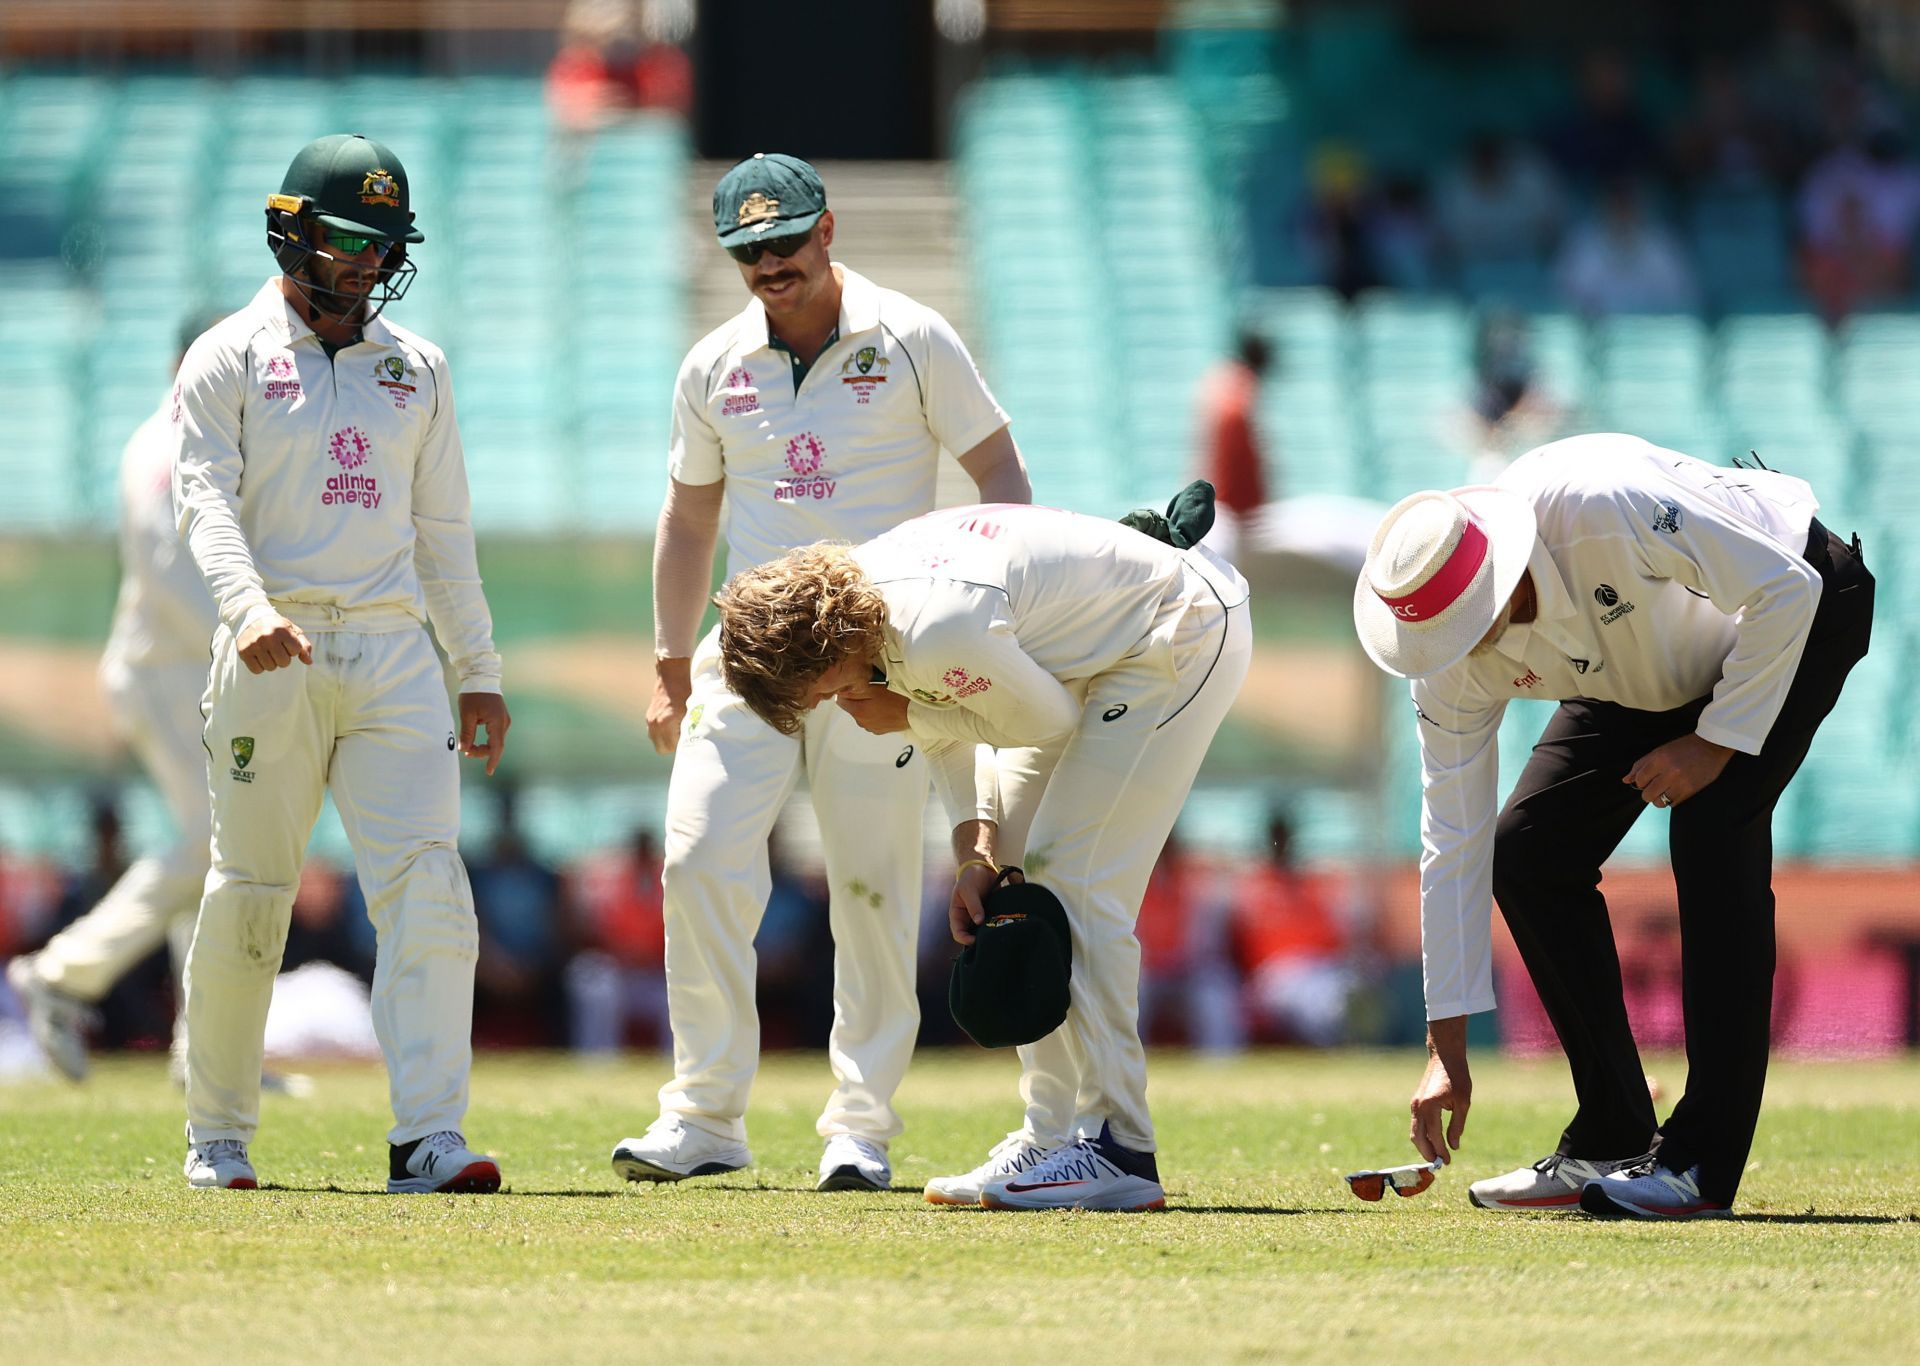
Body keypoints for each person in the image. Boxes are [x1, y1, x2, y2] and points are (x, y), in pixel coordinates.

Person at [610, 152, 1031, 1194]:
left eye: (785, 243)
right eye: (748, 250)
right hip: (749, 652)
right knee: (699, 859)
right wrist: (669, 664)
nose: (770, 265)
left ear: (828, 229)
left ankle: (862, 1126)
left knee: (871, 887)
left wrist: (987, 599)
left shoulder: (913, 336)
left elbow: (998, 471)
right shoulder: (714, 363)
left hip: (880, 657)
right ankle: (705, 1115)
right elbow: (689, 514)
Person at [1352, 432, 1872, 1219]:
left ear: (1503, 569)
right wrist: (1445, 1053)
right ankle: (1611, 1135)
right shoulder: (1449, 658)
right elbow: (1449, 843)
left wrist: (1713, 742)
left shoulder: (1601, 506)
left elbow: (1787, 589)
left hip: (1791, 608)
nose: (1466, 651)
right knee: (1527, 853)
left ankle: (1700, 1164)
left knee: (1711, 831)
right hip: (1640, 665)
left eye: (1473, 624)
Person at [713, 500, 1252, 1210]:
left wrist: (906, 712)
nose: (835, 704)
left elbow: (1039, 719)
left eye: (825, 690)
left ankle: (1119, 1146)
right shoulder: (868, 604)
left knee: (1071, 883)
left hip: (1177, 632)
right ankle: (1054, 1133)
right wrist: (977, 854)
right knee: (1017, 890)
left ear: (827, 648)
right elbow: (956, 725)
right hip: (1106, 650)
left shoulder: (933, 626)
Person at [170, 133, 511, 1193]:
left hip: (393, 652)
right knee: (252, 893)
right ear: (293, 231)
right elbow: (203, 500)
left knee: (430, 888)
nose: (365, 261)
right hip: (271, 652)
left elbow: (444, 533)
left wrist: (479, 668)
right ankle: (218, 1137)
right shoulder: (228, 354)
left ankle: (427, 1137)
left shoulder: (418, 368)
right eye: (347, 238)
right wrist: (249, 609)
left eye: (384, 242)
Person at [6, 318, 306, 1092]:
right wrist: (245, 637)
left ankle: (200, 1051)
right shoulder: (167, 438)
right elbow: (169, 567)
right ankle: (63, 972)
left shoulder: (217, 434)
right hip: (173, 672)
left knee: (211, 847)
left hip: (192, 669)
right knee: (218, 846)